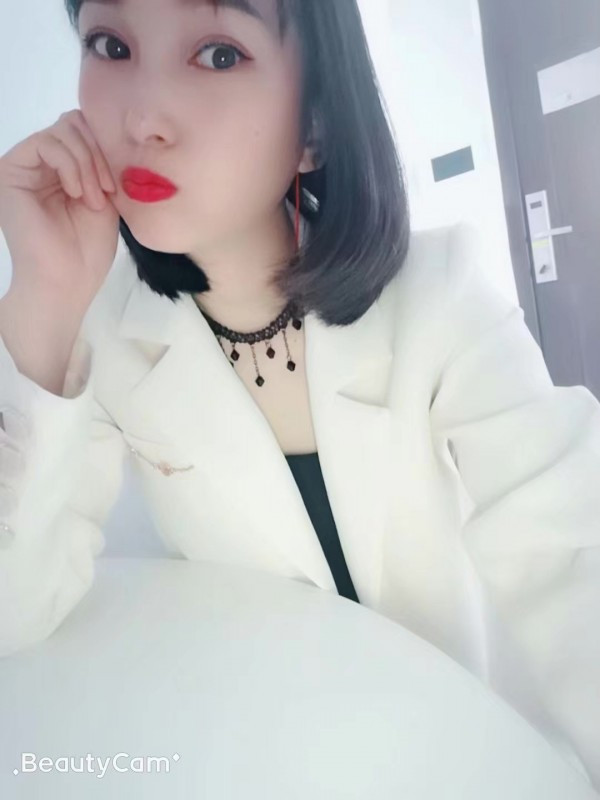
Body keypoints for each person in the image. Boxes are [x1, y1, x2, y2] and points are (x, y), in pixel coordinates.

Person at [0, 0, 599, 788]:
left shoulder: (440, 294)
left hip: (461, 751)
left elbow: (573, 552)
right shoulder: (101, 330)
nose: (141, 118)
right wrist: (40, 304)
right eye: (110, 45)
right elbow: (16, 609)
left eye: (218, 55)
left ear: (313, 124)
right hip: (276, 757)